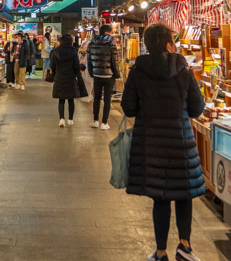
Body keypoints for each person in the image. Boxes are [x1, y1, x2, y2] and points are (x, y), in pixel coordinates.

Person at [122, 23, 205, 261]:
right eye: (173, 40)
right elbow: (197, 108)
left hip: (151, 142)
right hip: (180, 142)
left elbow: (128, 108)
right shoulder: (184, 71)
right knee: (183, 194)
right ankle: (185, 247)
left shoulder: (138, 71)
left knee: (160, 197)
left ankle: (160, 252)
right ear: (168, 44)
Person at [87, 24, 120, 129]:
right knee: (107, 100)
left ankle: (95, 121)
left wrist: (92, 73)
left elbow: (89, 61)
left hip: (96, 75)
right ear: (106, 32)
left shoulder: (91, 44)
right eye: (110, 32)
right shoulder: (111, 44)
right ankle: (104, 123)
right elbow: (115, 62)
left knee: (96, 98)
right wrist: (117, 74)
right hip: (109, 76)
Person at [48, 34, 82, 126]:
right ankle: (70, 119)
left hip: (59, 77)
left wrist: (55, 74)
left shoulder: (55, 51)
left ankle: (61, 119)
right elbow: (76, 66)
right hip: (70, 78)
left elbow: (52, 66)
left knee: (61, 100)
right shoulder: (74, 51)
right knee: (71, 100)